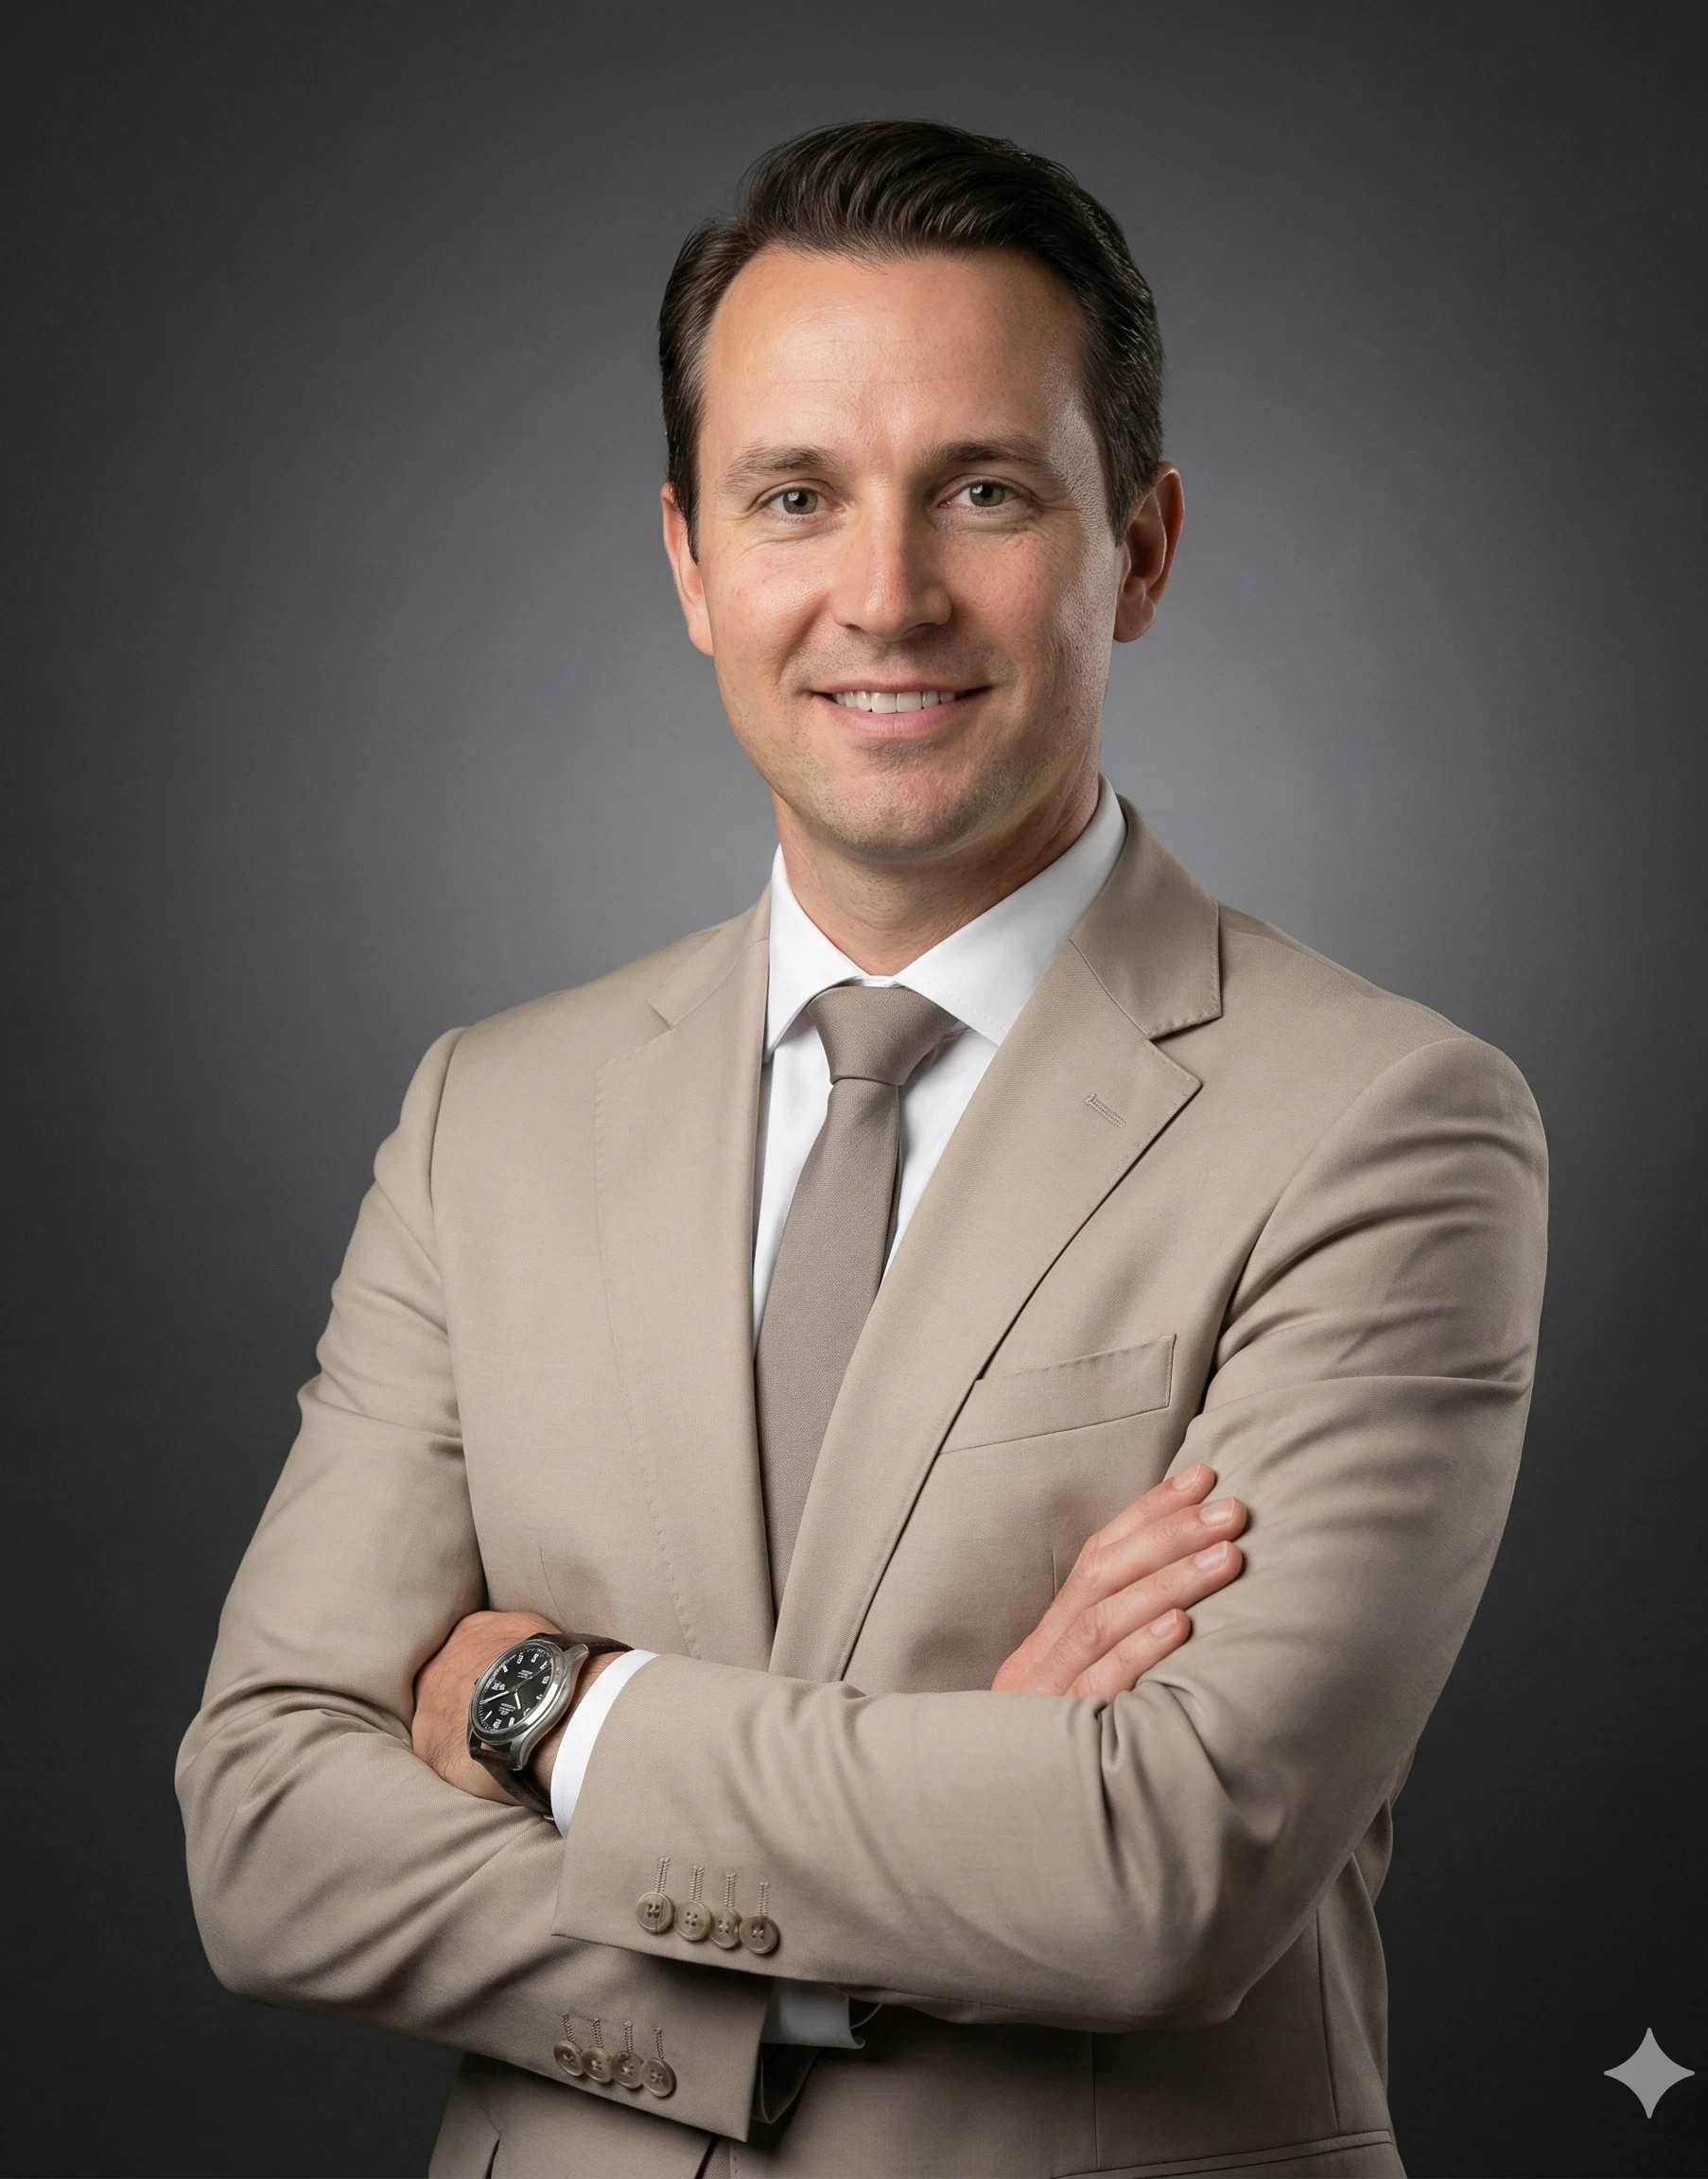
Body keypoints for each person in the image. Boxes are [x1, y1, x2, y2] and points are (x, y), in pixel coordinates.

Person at [178, 120, 1547, 2179]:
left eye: (983, 491)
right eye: (795, 497)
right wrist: (935, 1853)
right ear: (689, 564)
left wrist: (562, 1713)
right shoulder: (492, 1114)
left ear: (1142, 549)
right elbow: (268, 1834)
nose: (884, 596)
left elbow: (1162, 1868)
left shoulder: (1383, 1125)